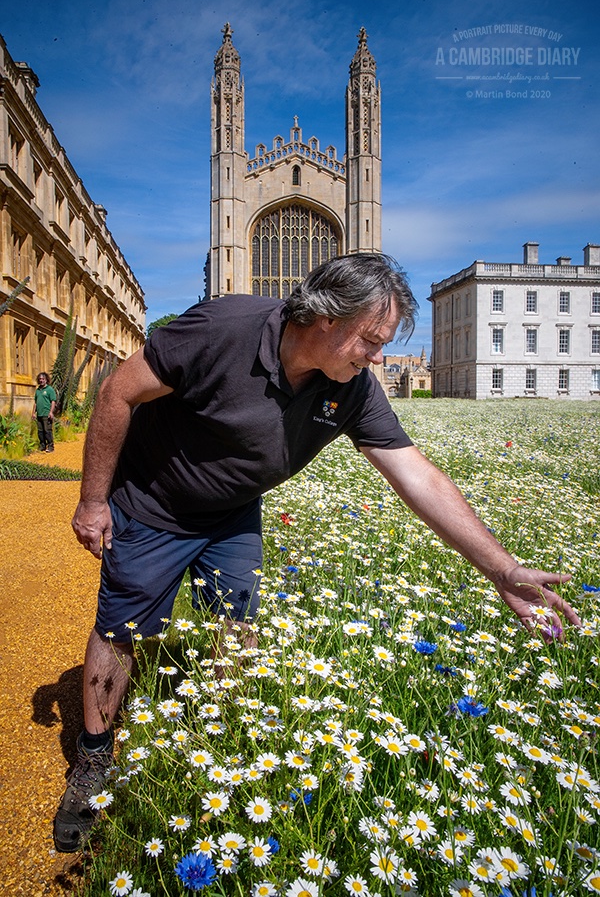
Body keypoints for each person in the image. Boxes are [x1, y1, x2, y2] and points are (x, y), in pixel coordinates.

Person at [52, 253, 580, 852]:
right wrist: (95, 501)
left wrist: (502, 569)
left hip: (232, 514)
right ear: (327, 317)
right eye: (371, 340)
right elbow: (116, 394)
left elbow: (417, 476)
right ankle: (93, 761)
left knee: (238, 626)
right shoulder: (221, 329)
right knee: (122, 625)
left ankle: (224, 749)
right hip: (153, 504)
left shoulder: (352, 388)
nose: (377, 358)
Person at [32, 372, 57, 452]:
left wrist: (51, 412)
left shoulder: (50, 389)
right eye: (40, 379)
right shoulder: (38, 390)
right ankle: (42, 445)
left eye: (43, 379)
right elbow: (36, 403)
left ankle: (50, 446)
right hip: (39, 414)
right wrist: (33, 413)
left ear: (46, 380)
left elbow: (53, 401)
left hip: (47, 414)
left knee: (47, 431)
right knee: (40, 431)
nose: (41, 380)